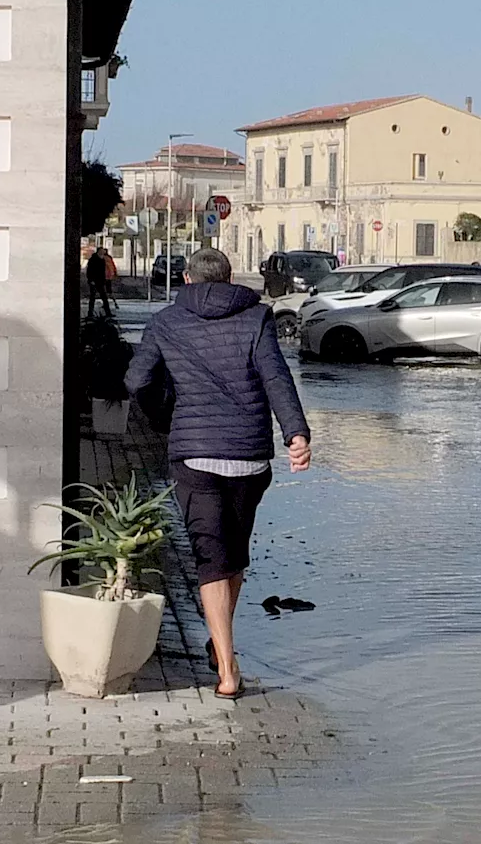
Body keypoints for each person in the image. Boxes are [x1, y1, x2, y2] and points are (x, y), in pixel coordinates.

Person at [126, 248, 312, 700]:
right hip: (249, 455)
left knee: (212, 556)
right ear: (229, 278)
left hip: (194, 457)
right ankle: (222, 647)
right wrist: (296, 434)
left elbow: (136, 382)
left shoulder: (167, 321)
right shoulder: (256, 318)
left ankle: (226, 666)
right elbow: (276, 378)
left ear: (188, 279)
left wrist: (164, 417)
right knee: (233, 554)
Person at [86, 246, 112, 318]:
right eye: (102, 251)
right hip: (94, 281)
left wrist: (104, 280)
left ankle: (108, 312)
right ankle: (90, 313)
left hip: (100, 281)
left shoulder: (102, 259)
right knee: (92, 297)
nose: (103, 253)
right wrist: (91, 280)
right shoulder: (93, 260)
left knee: (104, 297)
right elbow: (89, 271)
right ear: (98, 252)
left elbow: (103, 272)